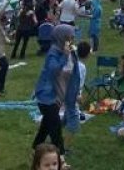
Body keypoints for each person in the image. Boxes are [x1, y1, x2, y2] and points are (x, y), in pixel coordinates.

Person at [32, 24, 78, 155]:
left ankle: (36, 147)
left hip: (55, 95)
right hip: (47, 96)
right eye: (70, 35)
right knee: (56, 129)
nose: (73, 37)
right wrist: (65, 55)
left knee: (46, 125)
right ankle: (61, 156)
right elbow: (53, 69)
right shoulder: (54, 52)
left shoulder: (62, 49)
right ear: (62, 36)